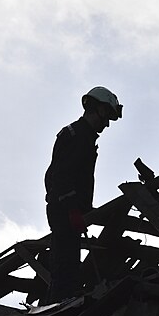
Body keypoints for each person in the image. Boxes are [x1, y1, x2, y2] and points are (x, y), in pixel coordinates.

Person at [44, 86, 122, 303]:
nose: (106, 124)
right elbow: (59, 176)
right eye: (107, 116)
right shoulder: (75, 136)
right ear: (98, 108)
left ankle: (59, 306)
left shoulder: (84, 138)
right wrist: (72, 209)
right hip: (64, 212)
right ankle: (55, 312)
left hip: (71, 212)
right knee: (65, 268)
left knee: (69, 268)